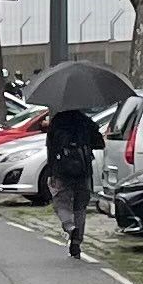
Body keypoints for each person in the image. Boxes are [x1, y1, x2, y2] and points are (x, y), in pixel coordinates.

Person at [46, 107, 104, 258]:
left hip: (61, 170)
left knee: (61, 201)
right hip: (83, 171)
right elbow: (100, 143)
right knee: (80, 207)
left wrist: (52, 171)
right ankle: (76, 244)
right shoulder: (85, 121)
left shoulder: (57, 121)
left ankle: (69, 226)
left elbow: (50, 148)